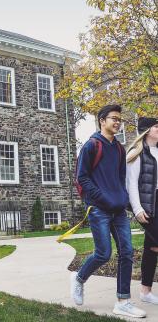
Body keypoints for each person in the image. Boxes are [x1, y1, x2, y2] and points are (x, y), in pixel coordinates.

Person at [71, 104, 146, 318]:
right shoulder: (92, 146)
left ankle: (123, 300)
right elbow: (82, 178)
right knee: (103, 253)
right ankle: (79, 279)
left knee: (127, 252)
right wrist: (103, 198)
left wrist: (123, 199)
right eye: (113, 118)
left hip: (119, 210)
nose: (117, 122)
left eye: (119, 119)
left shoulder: (120, 149)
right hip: (99, 209)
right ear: (102, 121)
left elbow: (121, 178)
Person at [126, 116, 158, 305]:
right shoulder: (137, 153)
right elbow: (131, 185)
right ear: (147, 131)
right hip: (148, 205)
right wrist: (137, 210)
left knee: (153, 246)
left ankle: (145, 292)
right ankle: (145, 291)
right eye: (156, 126)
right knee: (154, 244)